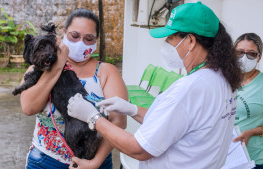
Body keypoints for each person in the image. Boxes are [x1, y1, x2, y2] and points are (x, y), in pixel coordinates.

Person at [67, 2, 242, 169]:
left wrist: (93, 118)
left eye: (170, 38)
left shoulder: (189, 89)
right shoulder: (221, 78)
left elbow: (138, 148)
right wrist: (133, 110)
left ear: (190, 41)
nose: (166, 44)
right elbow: (174, 123)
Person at [21, 8, 127, 169]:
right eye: (75, 36)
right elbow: (28, 107)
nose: (80, 43)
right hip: (45, 161)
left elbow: (118, 121)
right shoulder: (39, 67)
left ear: (96, 40)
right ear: (64, 33)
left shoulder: (106, 72)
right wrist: (58, 65)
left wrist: (95, 162)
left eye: (89, 38)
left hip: (95, 161)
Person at [233, 33, 263, 169]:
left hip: (250, 160)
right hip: (220, 157)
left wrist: (253, 131)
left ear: (259, 57)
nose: (244, 58)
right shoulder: (224, 80)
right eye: (240, 52)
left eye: (251, 54)